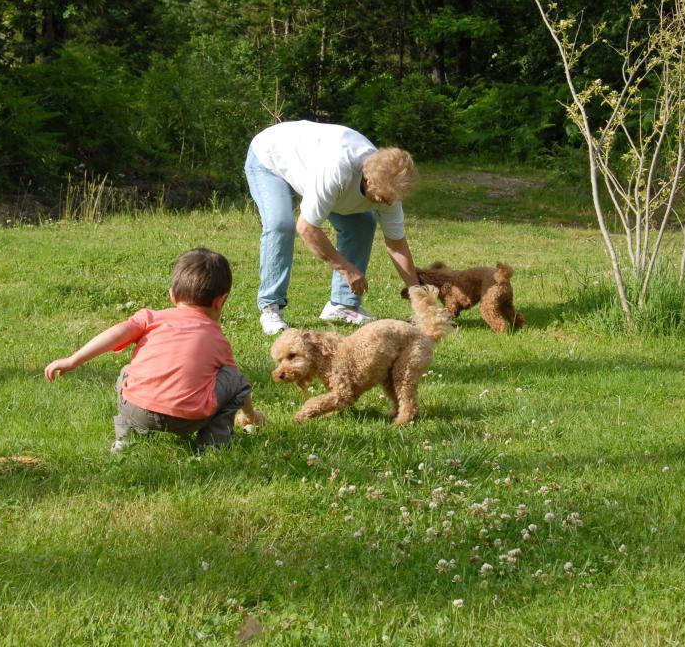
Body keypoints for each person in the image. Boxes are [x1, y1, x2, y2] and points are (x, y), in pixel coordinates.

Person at [44, 248, 264, 453]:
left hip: (138, 411)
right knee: (236, 380)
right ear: (221, 301)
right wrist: (251, 416)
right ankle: (212, 444)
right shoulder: (218, 339)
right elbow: (236, 387)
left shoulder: (150, 318)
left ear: (172, 295)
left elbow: (115, 334)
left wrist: (73, 360)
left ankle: (125, 437)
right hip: (188, 420)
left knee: (128, 371)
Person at [245, 120, 421, 335]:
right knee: (281, 224)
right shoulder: (337, 170)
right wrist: (346, 269)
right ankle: (270, 307)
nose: (387, 204)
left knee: (363, 223)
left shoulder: (390, 186)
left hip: (308, 165)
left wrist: (418, 297)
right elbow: (307, 228)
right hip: (270, 157)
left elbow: (396, 243)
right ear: (369, 182)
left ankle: (342, 306)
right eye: (383, 198)